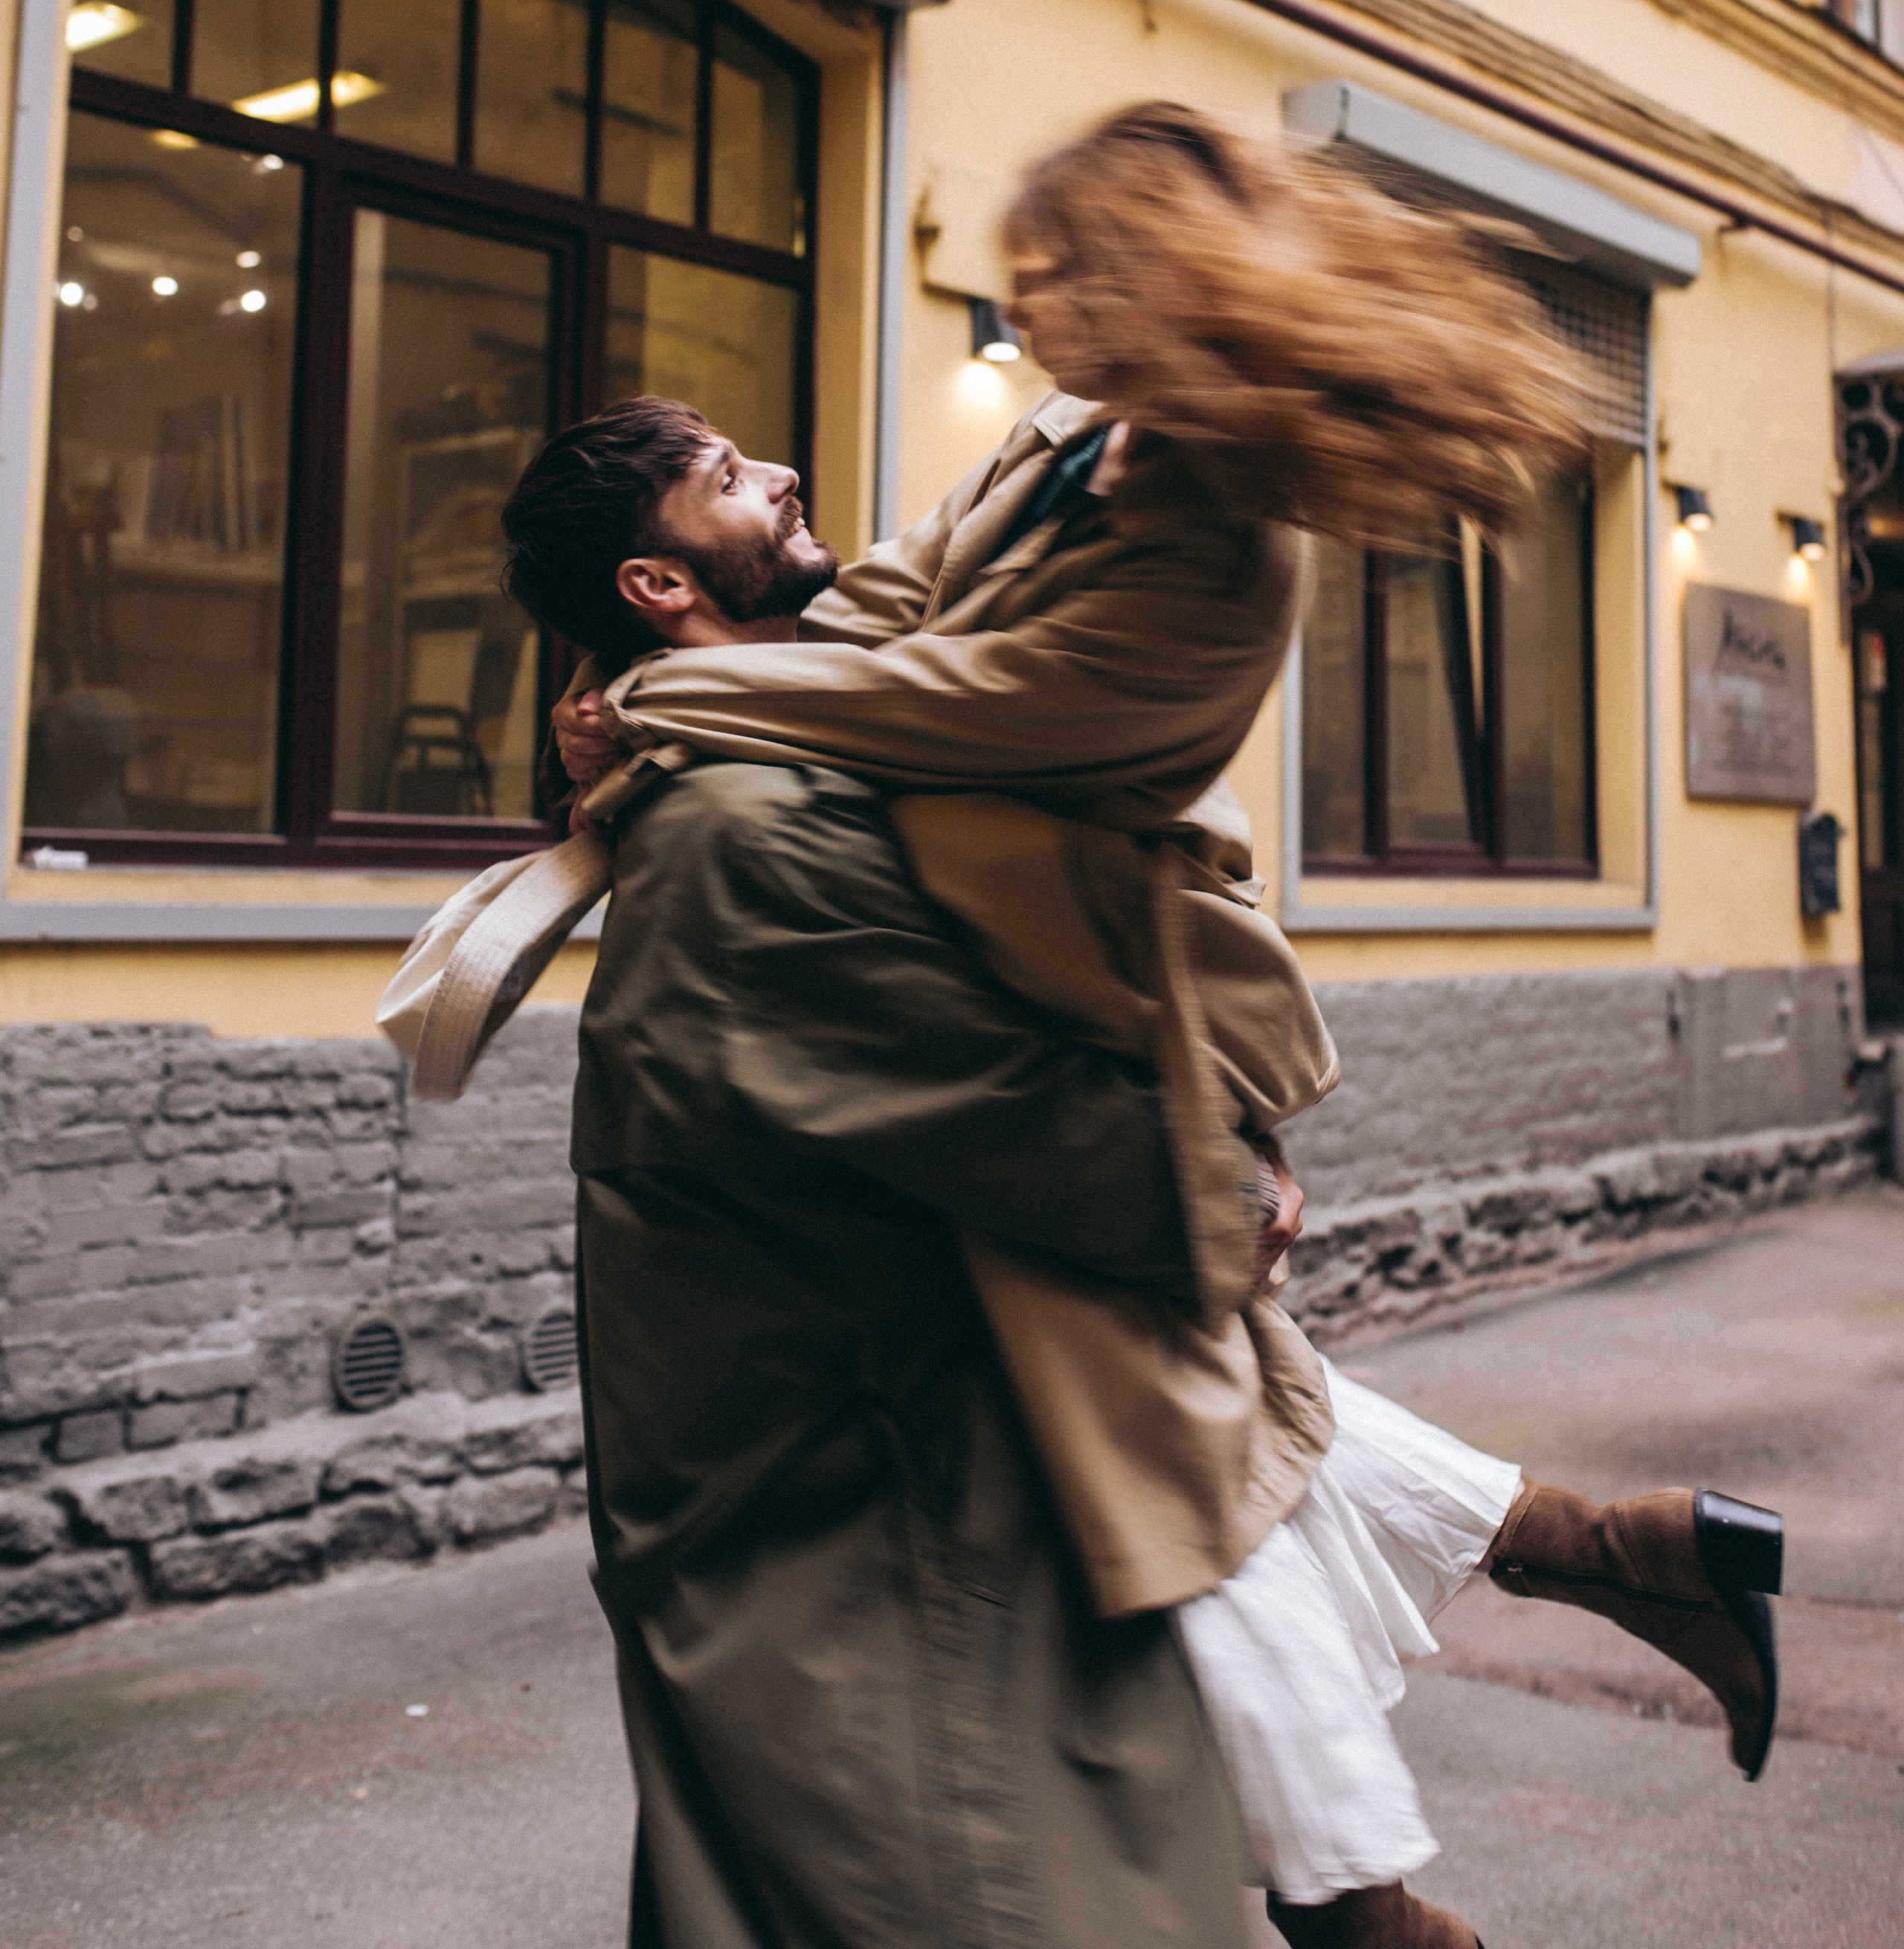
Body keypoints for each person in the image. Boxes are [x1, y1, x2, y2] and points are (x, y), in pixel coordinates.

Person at [509, 105, 1781, 1945]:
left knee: (1180, 1478)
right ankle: (1600, 1588)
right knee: (1199, 1440)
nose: (1022, 316)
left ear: (1149, 287)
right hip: (1030, 1120)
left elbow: (960, 711)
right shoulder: (1063, 445)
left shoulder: (1207, 549)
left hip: (1100, 1029)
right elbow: (893, 617)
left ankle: (1420, 1848)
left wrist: (684, 713)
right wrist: (665, 711)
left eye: (1053, 280)